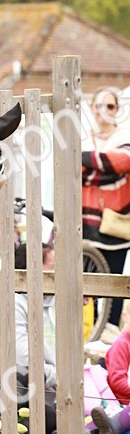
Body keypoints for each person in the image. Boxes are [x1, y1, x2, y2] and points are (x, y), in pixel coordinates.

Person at [0, 241, 57, 434]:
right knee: (23, 377)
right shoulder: (10, 301)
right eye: (52, 268)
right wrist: (59, 377)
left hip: (43, 385)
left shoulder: (51, 300)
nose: (57, 274)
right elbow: (22, 356)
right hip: (6, 380)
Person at [81, 87, 130, 341]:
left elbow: (124, 161)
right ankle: (85, 336)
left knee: (113, 285)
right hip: (85, 224)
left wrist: (85, 161)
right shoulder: (82, 138)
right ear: (92, 108)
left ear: (117, 110)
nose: (104, 111)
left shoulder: (124, 135)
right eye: (99, 105)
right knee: (85, 284)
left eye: (110, 106)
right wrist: (108, 167)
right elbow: (70, 167)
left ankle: (109, 338)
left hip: (116, 225)